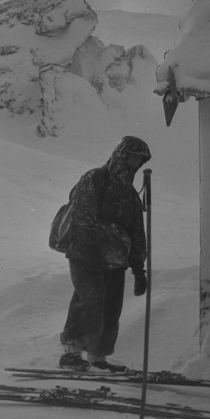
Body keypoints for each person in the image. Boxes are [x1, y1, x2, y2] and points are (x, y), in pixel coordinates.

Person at [59, 136, 151, 371]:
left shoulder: (130, 194)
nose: (133, 163)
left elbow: (136, 232)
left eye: (138, 160)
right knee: (90, 299)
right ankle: (71, 353)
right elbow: (82, 213)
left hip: (114, 259)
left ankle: (98, 357)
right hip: (84, 253)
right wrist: (89, 249)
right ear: (121, 155)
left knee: (111, 307)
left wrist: (139, 268)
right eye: (131, 157)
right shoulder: (96, 178)